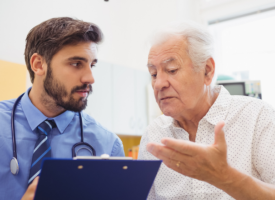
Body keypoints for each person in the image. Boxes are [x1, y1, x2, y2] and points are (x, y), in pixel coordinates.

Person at [138, 21, 275, 199]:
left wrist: (226, 178)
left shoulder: (258, 118)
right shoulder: (153, 135)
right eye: (154, 74)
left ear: (207, 71)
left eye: (171, 70)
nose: (159, 84)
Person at [0, 17, 124, 200]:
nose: (90, 78)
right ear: (38, 64)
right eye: (76, 64)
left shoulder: (107, 146)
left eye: (92, 65)